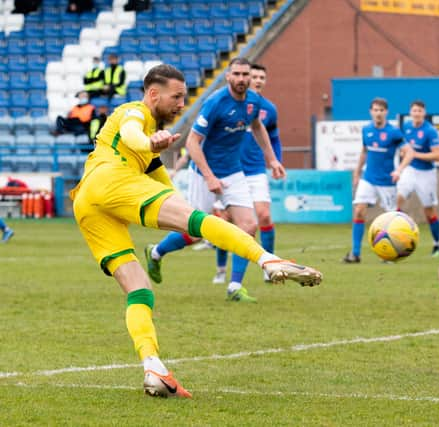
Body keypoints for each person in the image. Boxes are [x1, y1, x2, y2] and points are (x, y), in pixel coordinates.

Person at [70, 63, 322, 398]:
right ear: (153, 93)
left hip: (86, 203)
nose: (181, 104)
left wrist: (151, 150)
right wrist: (148, 142)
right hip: (110, 180)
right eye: (176, 97)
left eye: (184, 98)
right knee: (200, 220)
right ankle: (267, 260)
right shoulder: (134, 112)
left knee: (139, 289)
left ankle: (153, 367)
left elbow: (170, 192)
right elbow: (133, 133)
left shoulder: (150, 152)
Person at [145, 58, 289, 303]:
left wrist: (272, 159)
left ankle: (235, 286)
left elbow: (257, 127)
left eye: (246, 74)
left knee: (248, 226)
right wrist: (210, 176)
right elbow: (192, 142)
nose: (242, 79)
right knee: (196, 232)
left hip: (233, 172)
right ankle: (156, 252)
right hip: (203, 173)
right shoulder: (215, 103)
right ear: (228, 76)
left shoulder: (254, 101)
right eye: (237, 74)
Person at [214, 63, 282, 285]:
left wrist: (275, 161)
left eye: (262, 77)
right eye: (254, 76)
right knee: (225, 223)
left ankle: (269, 266)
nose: (258, 80)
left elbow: (273, 137)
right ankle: (221, 269)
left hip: (254, 169)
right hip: (230, 170)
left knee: (263, 216)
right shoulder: (230, 103)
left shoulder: (268, 109)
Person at [342, 98, 414, 263]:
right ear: (371, 111)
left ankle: (391, 253)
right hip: (368, 178)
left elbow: (409, 153)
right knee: (359, 210)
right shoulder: (366, 130)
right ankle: (355, 253)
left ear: (386, 112)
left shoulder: (394, 132)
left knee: (391, 219)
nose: (378, 113)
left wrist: (399, 170)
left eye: (381, 110)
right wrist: (357, 172)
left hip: (387, 182)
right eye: (375, 110)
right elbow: (364, 152)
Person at [396, 100, 439, 257]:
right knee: (398, 198)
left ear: (424, 113)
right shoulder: (407, 127)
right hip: (410, 170)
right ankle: (394, 238)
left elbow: (438, 156)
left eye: (419, 111)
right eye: (414, 111)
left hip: (426, 174)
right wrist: (404, 156)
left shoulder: (430, 131)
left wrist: (415, 154)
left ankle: (437, 245)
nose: (416, 113)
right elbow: (403, 149)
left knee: (429, 211)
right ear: (410, 112)